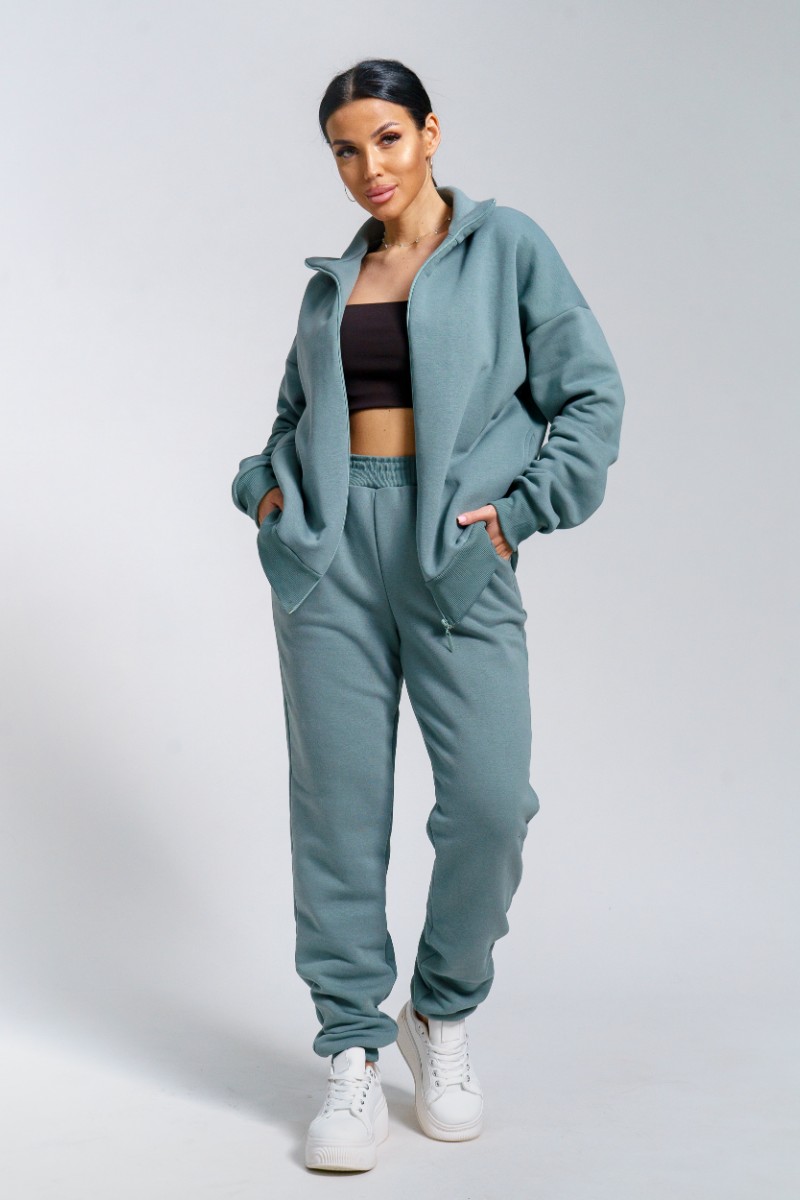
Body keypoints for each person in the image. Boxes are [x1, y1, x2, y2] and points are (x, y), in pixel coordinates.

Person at [231, 58, 625, 1173]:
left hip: (455, 552)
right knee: (339, 812)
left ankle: (438, 1013)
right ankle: (352, 1046)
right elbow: (292, 417)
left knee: (493, 804)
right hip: (330, 561)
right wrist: (263, 492)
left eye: (388, 138)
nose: (370, 167)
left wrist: (519, 514)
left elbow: (589, 394)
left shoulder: (507, 248)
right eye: (346, 150)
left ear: (431, 133)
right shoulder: (332, 283)